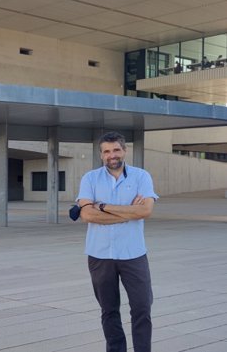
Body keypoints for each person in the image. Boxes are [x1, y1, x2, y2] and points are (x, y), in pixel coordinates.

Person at [77, 132, 158, 352]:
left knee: (142, 308)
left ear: (124, 150)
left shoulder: (141, 176)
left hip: (134, 254)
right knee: (109, 310)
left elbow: (146, 210)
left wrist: (102, 206)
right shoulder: (90, 179)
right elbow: (87, 216)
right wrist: (131, 212)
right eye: (106, 151)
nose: (111, 155)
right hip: (100, 256)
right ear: (101, 154)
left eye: (116, 150)